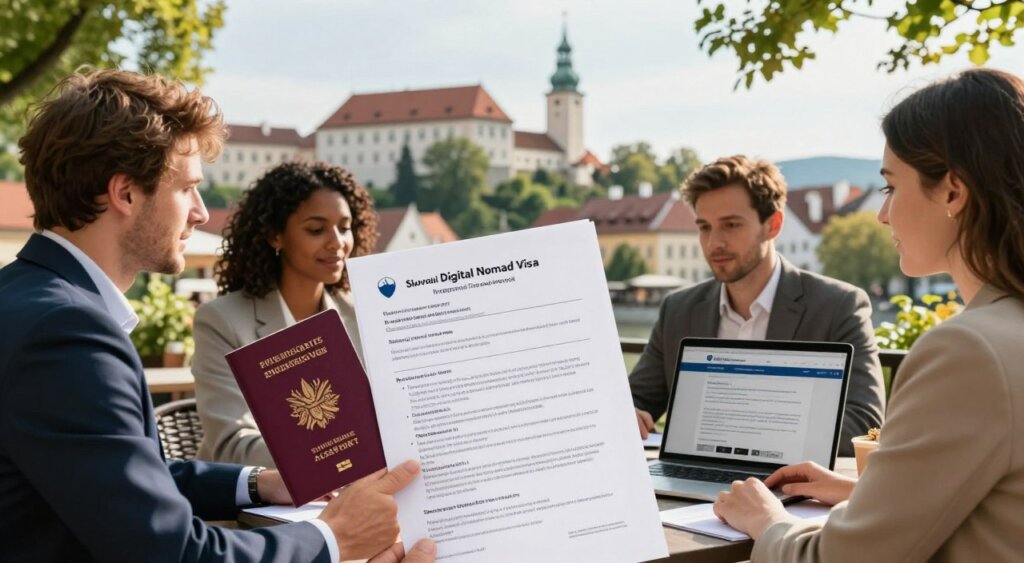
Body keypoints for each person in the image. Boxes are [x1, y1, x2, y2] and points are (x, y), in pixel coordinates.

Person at [0, 68, 432, 563]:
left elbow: (130, 479)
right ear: (124, 194)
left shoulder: (34, 301)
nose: (202, 213)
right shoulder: (66, 333)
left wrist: (262, 484)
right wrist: (334, 540)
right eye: (187, 189)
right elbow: (171, 552)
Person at [713, 68, 1024, 561]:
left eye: (890, 187)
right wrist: (867, 492)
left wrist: (765, 518)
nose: (882, 215)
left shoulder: (970, 350)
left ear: (952, 191)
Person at [629, 155, 886, 455]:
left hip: (785, 490)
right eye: (704, 227)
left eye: (731, 225)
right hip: (689, 483)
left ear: (773, 225)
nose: (714, 243)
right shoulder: (679, 309)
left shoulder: (838, 306)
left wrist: (738, 427)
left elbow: (864, 425)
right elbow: (635, 399)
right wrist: (626, 414)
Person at [193, 161, 375, 467]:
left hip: (358, 491)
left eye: (345, 228)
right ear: (275, 236)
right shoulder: (222, 321)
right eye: (316, 229)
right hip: (254, 504)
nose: (337, 243)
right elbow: (231, 446)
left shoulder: (363, 317)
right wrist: (338, 458)